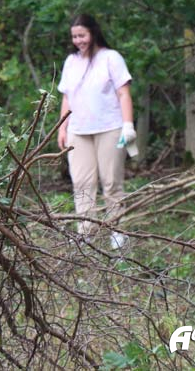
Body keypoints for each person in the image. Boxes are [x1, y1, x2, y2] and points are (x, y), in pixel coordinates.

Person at [56, 14, 135, 250]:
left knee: (111, 181)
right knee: (82, 183)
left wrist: (128, 125)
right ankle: (86, 232)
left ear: (93, 33)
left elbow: (123, 93)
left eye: (82, 35)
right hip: (78, 131)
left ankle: (117, 231)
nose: (78, 40)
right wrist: (62, 128)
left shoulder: (111, 58)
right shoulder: (71, 61)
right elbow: (67, 97)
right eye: (74, 36)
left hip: (110, 128)